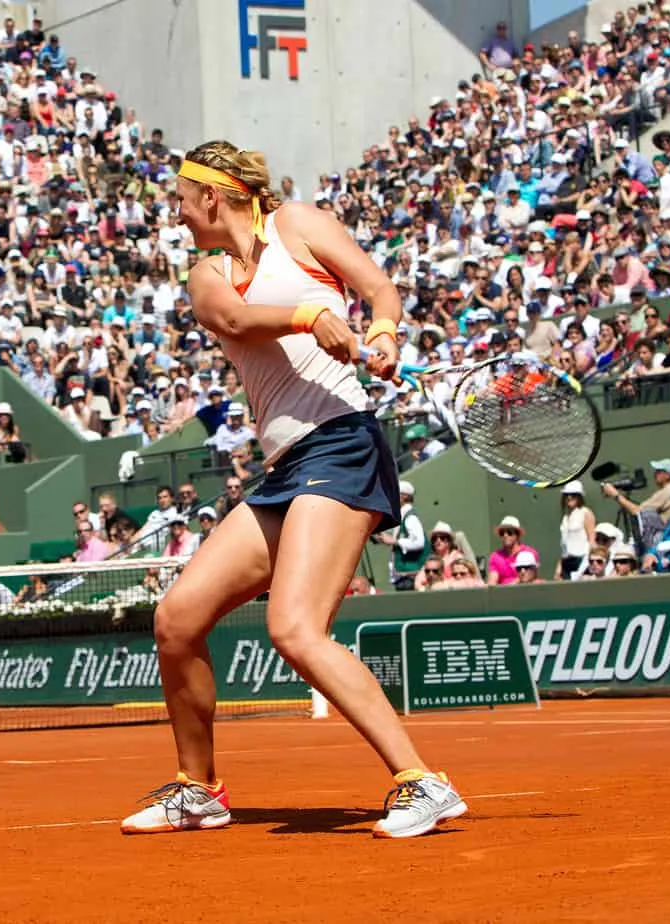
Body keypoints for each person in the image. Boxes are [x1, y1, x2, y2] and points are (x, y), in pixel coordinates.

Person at [119, 141, 464, 840]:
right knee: (178, 619)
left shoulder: (300, 227)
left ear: (213, 197)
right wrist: (311, 317)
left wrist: (386, 333)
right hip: (285, 468)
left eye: (183, 201)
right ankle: (199, 789)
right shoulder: (207, 272)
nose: (178, 216)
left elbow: (378, 290)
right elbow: (238, 321)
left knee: (295, 628)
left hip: (341, 446)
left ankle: (420, 781)